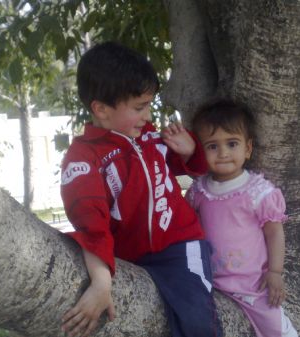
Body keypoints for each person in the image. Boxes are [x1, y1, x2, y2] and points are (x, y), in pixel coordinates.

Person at [60, 41, 221, 337]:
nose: (148, 116)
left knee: (198, 322)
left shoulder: (146, 136)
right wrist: (101, 281)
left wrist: (189, 152)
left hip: (180, 247)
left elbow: (192, 167)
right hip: (126, 256)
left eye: (149, 104)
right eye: (140, 107)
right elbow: (91, 223)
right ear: (101, 109)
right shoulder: (83, 159)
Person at [186, 99, 298, 337]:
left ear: (247, 148)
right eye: (212, 146)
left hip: (253, 286)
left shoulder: (257, 191)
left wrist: (275, 272)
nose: (223, 153)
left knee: (277, 331)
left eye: (232, 143)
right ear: (200, 150)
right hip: (211, 284)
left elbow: (274, 231)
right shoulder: (199, 191)